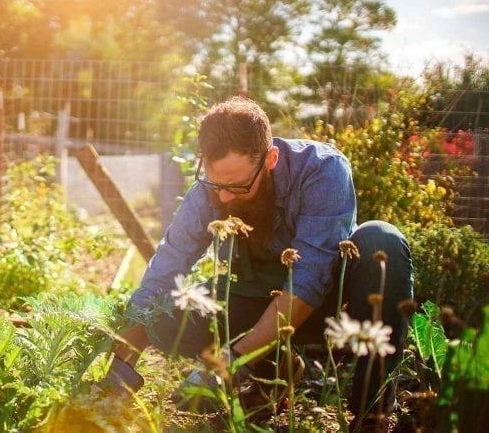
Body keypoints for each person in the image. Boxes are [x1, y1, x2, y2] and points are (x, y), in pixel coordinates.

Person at [99, 96, 413, 428]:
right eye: (216, 184)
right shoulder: (210, 189)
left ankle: (372, 410)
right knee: (165, 314)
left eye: (238, 186)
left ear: (271, 159)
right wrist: (120, 366)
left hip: (331, 306)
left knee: (383, 240)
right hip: (257, 300)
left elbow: (309, 279)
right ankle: (273, 371)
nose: (224, 198)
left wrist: (231, 361)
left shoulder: (322, 170)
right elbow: (164, 273)